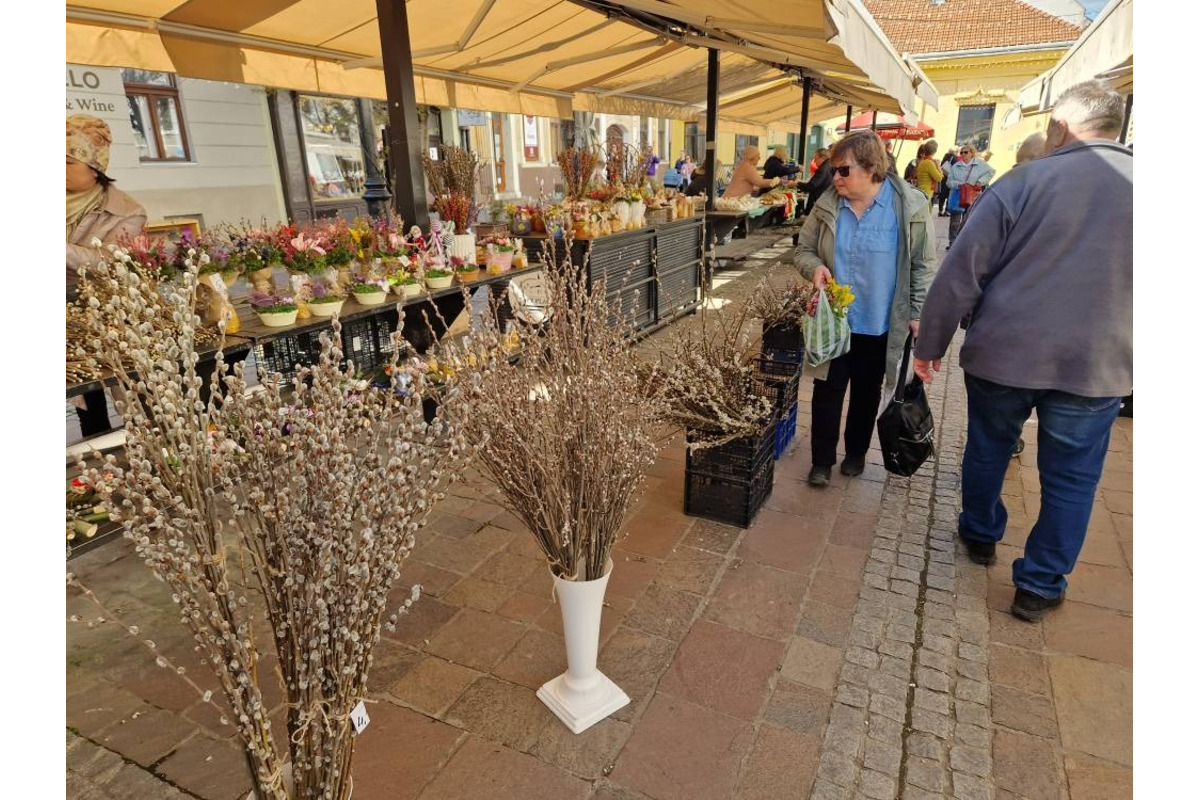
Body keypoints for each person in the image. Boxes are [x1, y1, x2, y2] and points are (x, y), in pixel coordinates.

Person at [911, 81, 1132, 623]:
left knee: (989, 447)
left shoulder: (1024, 182)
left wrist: (931, 344)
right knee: (1073, 477)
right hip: (1098, 362)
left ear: (1058, 126)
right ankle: (1038, 584)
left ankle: (981, 534)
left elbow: (962, 271)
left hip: (1006, 353)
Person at [792, 130, 936, 486]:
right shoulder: (828, 204)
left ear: (871, 168)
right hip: (834, 321)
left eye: (843, 170)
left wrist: (917, 313)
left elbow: (922, 266)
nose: (835, 177)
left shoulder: (910, 206)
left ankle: (856, 454)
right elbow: (802, 250)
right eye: (833, 170)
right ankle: (822, 461)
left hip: (881, 323)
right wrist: (815, 269)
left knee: (866, 394)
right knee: (826, 393)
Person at [67, 114, 148, 437]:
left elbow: (108, 262)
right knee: (81, 394)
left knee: (119, 388)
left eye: (67, 161)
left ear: (95, 168)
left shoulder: (128, 211)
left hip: (103, 315)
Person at [945, 144, 995, 249]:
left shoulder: (980, 164)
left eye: (966, 152)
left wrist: (981, 181)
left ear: (972, 153)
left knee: (968, 220)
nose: (963, 154)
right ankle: (952, 242)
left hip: (972, 195)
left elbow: (991, 172)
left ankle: (963, 242)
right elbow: (949, 182)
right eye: (961, 152)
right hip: (958, 195)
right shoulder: (956, 166)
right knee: (955, 221)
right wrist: (959, 184)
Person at [798, 148, 833, 217]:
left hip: (818, 199)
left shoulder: (823, 168)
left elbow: (812, 185)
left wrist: (797, 184)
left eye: (816, 159)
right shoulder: (828, 165)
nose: (814, 161)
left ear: (822, 158)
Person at [936, 148, 957, 216]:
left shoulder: (945, 157)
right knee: (949, 196)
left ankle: (940, 210)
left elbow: (941, 166)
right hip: (950, 179)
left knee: (942, 196)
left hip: (943, 178)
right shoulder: (954, 158)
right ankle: (946, 211)